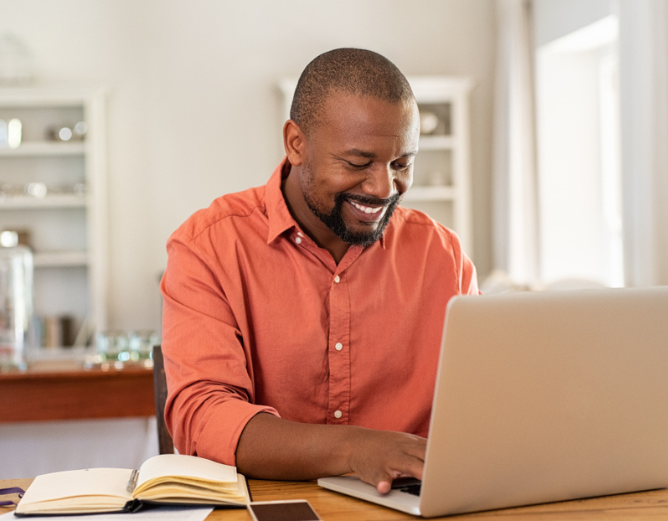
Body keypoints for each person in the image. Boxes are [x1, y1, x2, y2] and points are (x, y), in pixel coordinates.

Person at [161, 48, 479, 493]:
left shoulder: (442, 255)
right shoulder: (208, 246)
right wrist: (355, 449)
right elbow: (204, 415)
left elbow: (479, 406)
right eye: (357, 163)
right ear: (296, 143)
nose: (384, 188)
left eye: (401, 164)